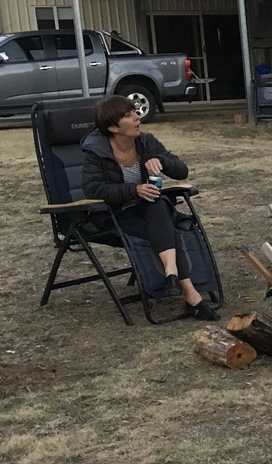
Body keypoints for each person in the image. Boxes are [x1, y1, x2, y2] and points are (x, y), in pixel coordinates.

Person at [81, 95, 217, 320]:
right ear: (114, 127)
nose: (137, 117)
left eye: (135, 111)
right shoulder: (96, 150)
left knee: (157, 205)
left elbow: (181, 170)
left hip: (151, 209)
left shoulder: (146, 142)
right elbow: (92, 188)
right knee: (168, 232)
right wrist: (134, 190)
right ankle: (190, 293)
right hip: (117, 214)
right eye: (128, 115)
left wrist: (161, 161)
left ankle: (172, 274)